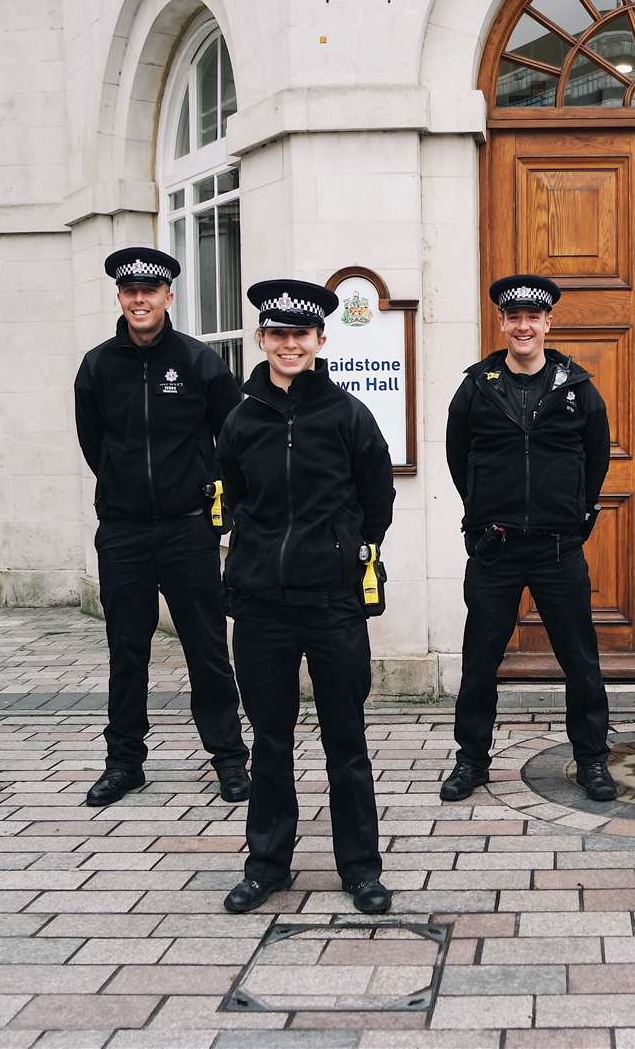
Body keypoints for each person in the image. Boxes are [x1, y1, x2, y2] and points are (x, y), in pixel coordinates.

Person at [217, 279, 395, 915]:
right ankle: (267, 863)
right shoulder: (240, 418)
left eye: (302, 335)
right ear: (262, 340)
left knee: (345, 738)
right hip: (262, 605)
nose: (289, 345)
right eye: (277, 335)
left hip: (332, 603)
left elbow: (379, 499)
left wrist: (346, 550)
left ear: (321, 340)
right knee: (269, 739)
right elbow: (231, 494)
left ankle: (360, 868)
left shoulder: (347, 415)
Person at [73, 246, 250, 808]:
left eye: (150, 291)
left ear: (169, 297)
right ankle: (124, 762)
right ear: (120, 298)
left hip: (187, 529)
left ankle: (229, 760)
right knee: (127, 650)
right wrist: (126, 487)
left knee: (206, 648)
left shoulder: (199, 363)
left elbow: (235, 437)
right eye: (130, 292)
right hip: (124, 530)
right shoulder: (98, 366)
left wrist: (202, 488)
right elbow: (93, 443)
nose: (140, 299)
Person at [441, 274, 615, 803]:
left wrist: (576, 515)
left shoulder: (578, 388)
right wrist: (480, 512)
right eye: (514, 317)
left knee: (580, 662)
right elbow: (457, 458)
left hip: (558, 548)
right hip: (495, 549)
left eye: (533, 317)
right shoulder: (476, 387)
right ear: (502, 323)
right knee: (479, 662)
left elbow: (597, 460)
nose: (523, 326)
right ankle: (471, 761)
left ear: (548, 323)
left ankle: (591, 760)